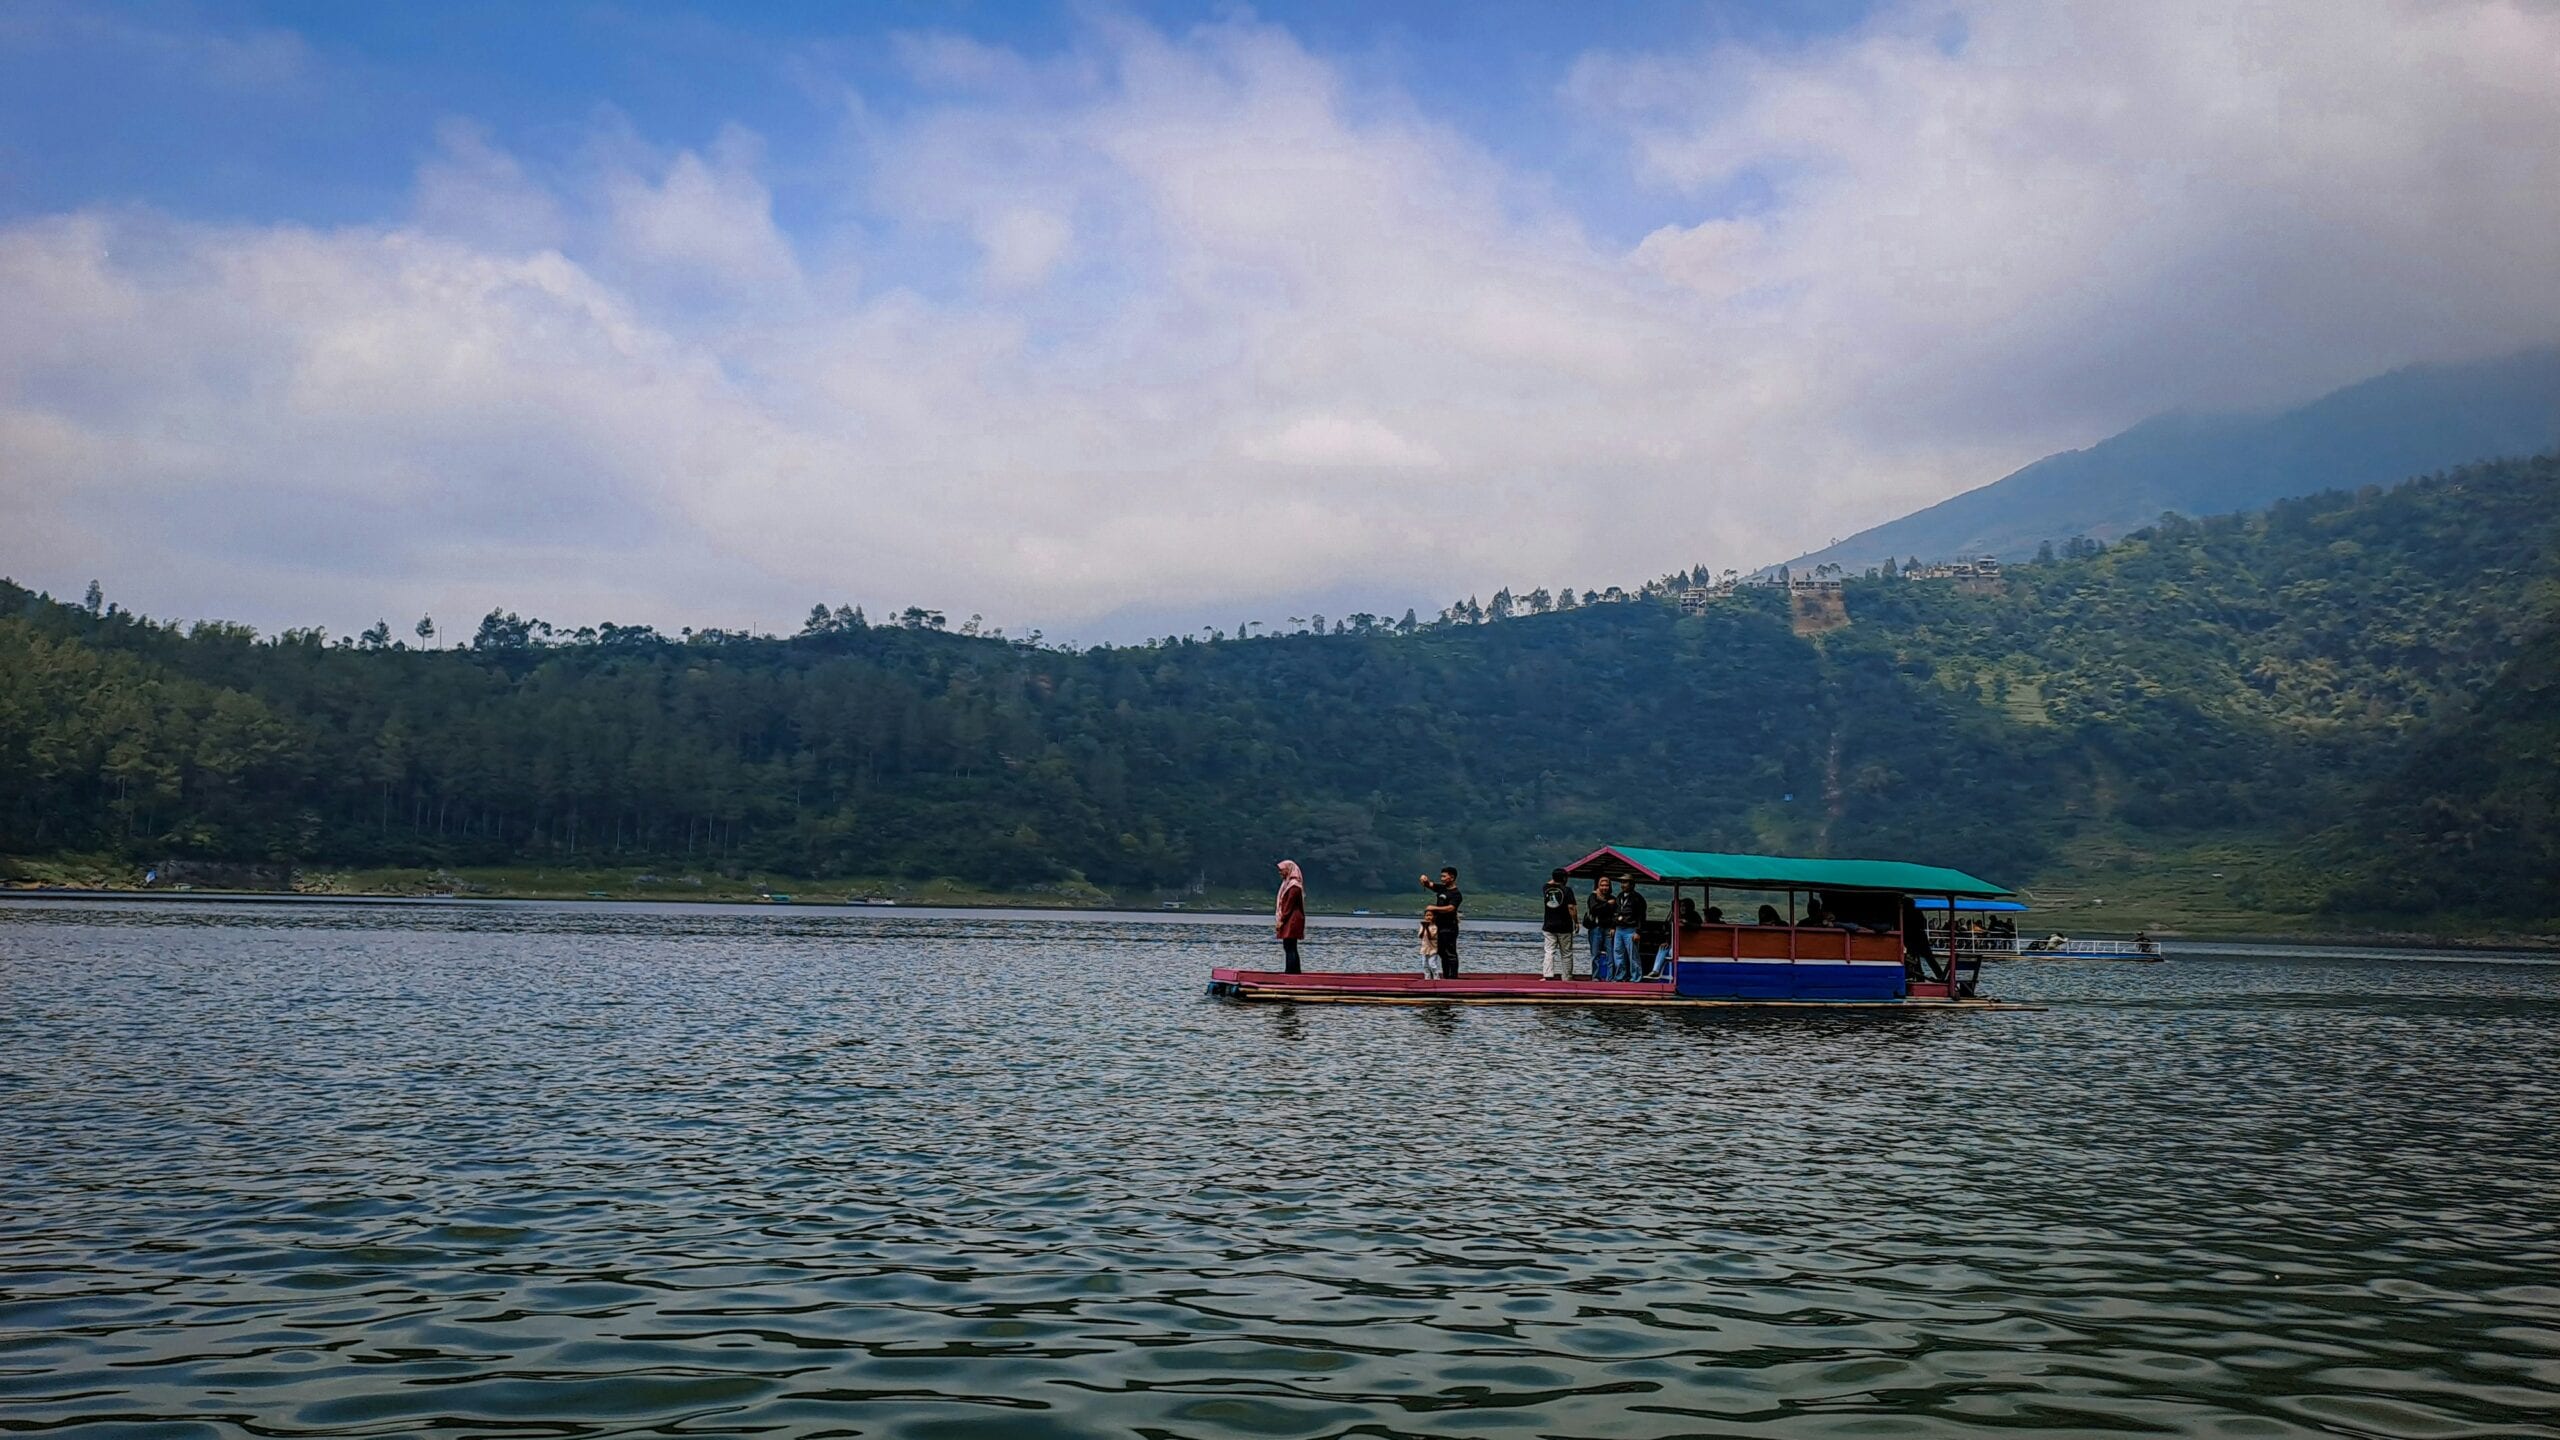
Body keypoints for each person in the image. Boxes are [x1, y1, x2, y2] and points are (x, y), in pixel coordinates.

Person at [1418, 866, 1463, 979]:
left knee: (1450, 953)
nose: (1442, 879)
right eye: (1441, 876)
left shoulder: (1456, 894)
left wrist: (1433, 908)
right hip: (1439, 926)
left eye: (1444, 876)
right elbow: (1430, 885)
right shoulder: (1442, 889)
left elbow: (1451, 908)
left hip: (1450, 927)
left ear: (1451, 877)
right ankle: (1446, 976)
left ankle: (1453, 978)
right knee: (1442, 952)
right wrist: (1424, 880)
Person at [1539, 869, 1578, 980]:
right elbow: (1571, 907)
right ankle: (1566, 976)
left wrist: (1555, 878)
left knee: (1549, 951)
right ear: (1564, 878)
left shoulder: (1546, 888)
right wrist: (1576, 922)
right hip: (1565, 926)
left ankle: (1547, 974)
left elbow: (1549, 882)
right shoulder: (1567, 890)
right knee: (1566, 953)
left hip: (1549, 925)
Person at [1273, 859, 1306, 973]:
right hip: (1290, 918)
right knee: (1289, 946)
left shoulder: (1294, 886)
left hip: (1292, 919)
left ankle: (1291, 972)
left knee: (1290, 946)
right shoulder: (1287, 884)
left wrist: (1282, 920)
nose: (1280, 873)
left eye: (1282, 870)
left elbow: (1289, 905)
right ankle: (1292, 971)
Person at [1613, 882, 1647, 982]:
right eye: (1622, 882)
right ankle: (1620, 976)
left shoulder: (1638, 898)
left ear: (1632, 885)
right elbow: (1615, 911)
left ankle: (1636, 977)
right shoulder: (1619, 896)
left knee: (1633, 955)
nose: (1622, 885)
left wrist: (1638, 931)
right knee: (1618, 953)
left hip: (1631, 929)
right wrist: (1613, 926)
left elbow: (1641, 916)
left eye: (1625, 882)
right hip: (1619, 928)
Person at [1584, 876, 1616, 980]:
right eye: (1602, 885)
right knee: (1595, 954)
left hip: (1608, 929)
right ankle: (1595, 977)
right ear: (1598, 886)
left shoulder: (1613, 899)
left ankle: (1610, 977)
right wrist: (1606, 904)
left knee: (1610, 954)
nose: (1604, 887)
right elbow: (1594, 909)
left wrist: (1613, 927)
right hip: (1596, 928)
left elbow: (1615, 914)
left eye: (1606, 885)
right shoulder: (1593, 897)